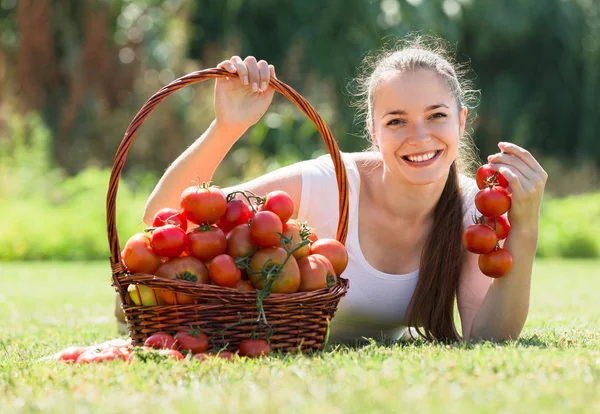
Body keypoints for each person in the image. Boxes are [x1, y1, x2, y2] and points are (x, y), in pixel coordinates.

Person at [121, 36, 547, 344]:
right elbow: (160, 215)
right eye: (396, 121)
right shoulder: (326, 184)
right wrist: (228, 127)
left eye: (436, 116)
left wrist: (524, 229)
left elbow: (486, 336)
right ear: (373, 132)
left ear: (461, 122)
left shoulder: (475, 211)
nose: (419, 137)